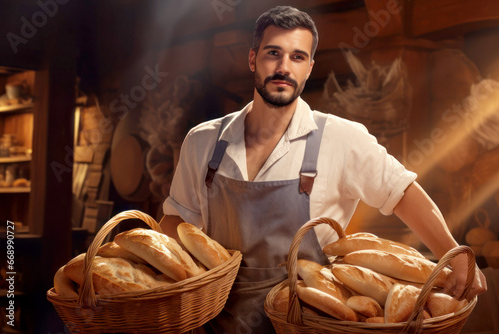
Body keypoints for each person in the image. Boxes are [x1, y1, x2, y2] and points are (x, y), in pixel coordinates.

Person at [160, 5, 487, 333]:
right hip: (216, 321)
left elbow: (401, 192)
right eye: (273, 53)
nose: (284, 67)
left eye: (297, 57)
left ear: (309, 67)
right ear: (252, 59)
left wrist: (455, 254)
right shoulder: (203, 141)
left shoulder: (341, 138)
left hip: (311, 321)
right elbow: (177, 220)